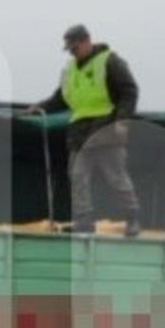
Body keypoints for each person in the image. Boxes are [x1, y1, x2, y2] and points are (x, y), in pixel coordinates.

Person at [33, 24, 142, 236]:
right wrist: (39, 107)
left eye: (75, 47)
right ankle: (84, 222)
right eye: (70, 49)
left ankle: (132, 218)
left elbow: (129, 91)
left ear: (87, 41)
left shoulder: (110, 61)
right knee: (78, 176)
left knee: (116, 177)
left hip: (106, 129)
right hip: (80, 133)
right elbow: (61, 99)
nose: (73, 52)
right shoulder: (69, 70)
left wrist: (122, 122)